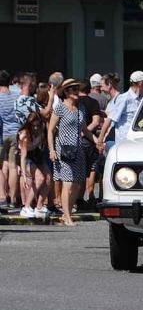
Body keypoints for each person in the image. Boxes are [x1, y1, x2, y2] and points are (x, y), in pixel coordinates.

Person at [48, 79, 89, 226]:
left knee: (77, 184)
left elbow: (84, 130)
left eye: (77, 88)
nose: (76, 91)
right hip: (63, 149)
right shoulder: (60, 107)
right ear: (66, 92)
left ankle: (68, 214)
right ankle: (67, 216)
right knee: (68, 183)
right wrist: (52, 149)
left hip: (77, 149)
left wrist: (97, 140)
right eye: (73, 89)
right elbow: (50, 131)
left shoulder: (80, 108)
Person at [97, 71, 143, 152]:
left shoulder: (142, 99)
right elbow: (109, 119)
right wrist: (100, 140)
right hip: (124, 144)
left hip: (138, 143)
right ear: (141, 83)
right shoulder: (124, 98)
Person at [17, 112, 50, 219]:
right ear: (29, 124)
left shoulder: (42, 129)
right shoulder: (25, 135)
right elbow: (23, 157)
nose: (35, 128)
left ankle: (39, 206)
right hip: (25, 156)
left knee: (49, 178)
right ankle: (26, 207)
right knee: (39, 178)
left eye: (37, 125)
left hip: (36, 153)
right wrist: (24, 174)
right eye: (33, 126)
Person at [0, 70, 20, 211]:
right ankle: (13, 199)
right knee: (13, 166)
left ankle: (2, 196)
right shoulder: (17, 94)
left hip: (2, 134)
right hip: (16, 133)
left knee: (1, 167)